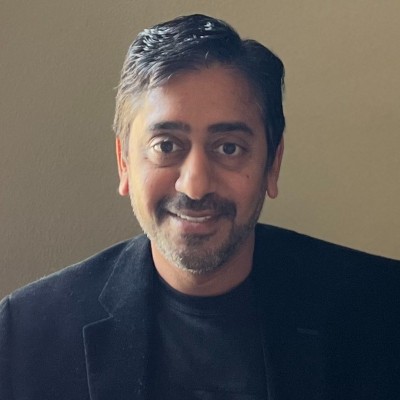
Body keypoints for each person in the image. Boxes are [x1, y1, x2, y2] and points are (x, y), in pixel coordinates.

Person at [0, 14, 399, 400]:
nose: (194, 186)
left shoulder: (383, 312)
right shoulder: (25, 336)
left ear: (272, 165)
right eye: (166, 146)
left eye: (229, 148)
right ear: (124, 162)